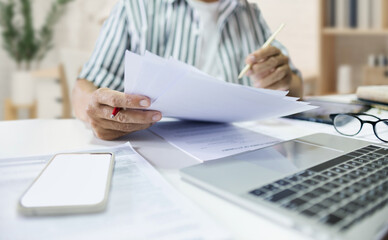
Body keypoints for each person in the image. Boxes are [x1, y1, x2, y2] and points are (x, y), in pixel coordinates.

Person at [72, 0, 303, 140]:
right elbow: (85, 88)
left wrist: (282, 81)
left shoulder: (248, 13)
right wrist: (100, 114)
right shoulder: (136, 7)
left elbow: (296, 87)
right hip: (156, 149)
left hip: (243, 147)